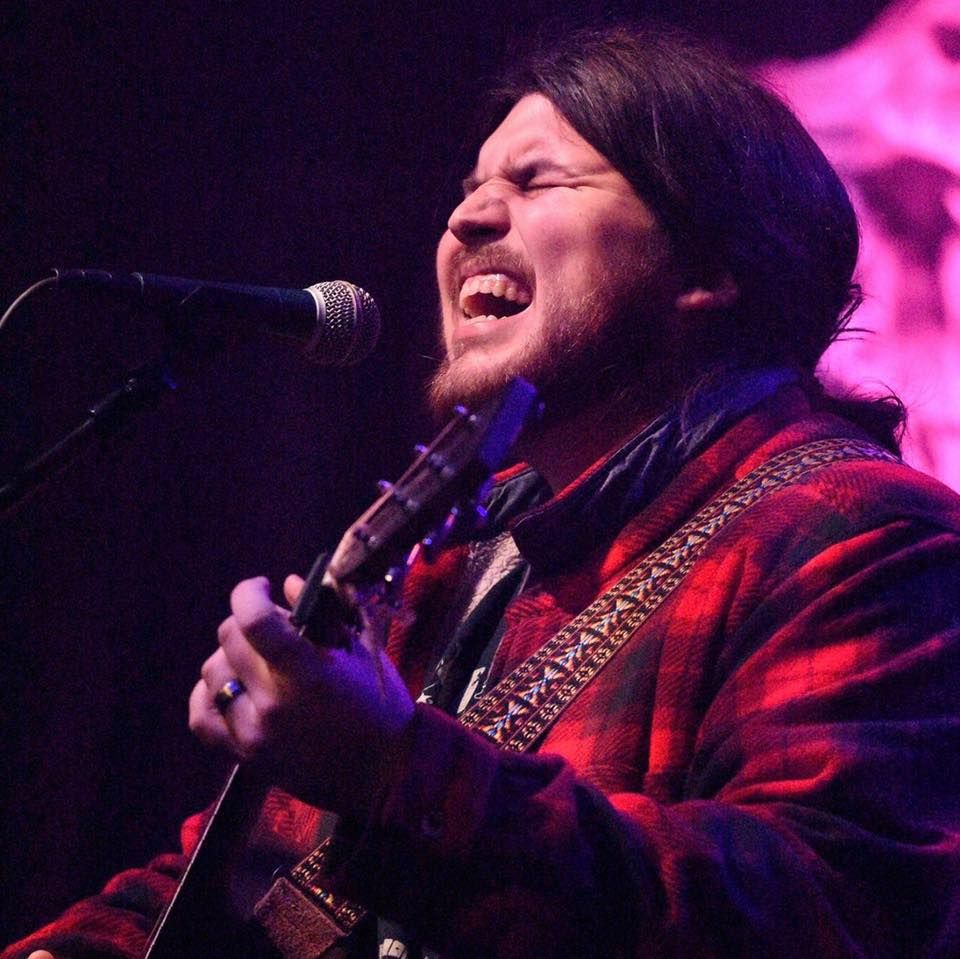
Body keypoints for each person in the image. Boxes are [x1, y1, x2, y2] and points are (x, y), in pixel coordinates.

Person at [7, 22, 960, 959]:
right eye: (468, 191)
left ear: (710, 264)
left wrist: (396, 771)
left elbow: (828, 905)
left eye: (537, 181)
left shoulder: (867, 536)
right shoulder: (456, 552)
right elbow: (256, 884)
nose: (466, 220)